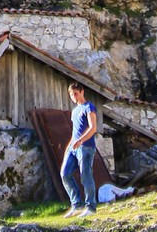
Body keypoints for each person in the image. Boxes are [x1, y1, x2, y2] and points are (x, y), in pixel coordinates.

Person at [61, 82, 98, 216]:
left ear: (82, 92)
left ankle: (91, 207)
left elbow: (93, 128)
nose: (73, 97)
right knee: (65, 174)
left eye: (75, 94)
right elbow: (74, 132)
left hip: (86, 147)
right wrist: (68, 148)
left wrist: (80, 140)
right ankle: (76, 204)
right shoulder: (74, 111)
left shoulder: (89, 107)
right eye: (71, 95)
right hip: (74, 147)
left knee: (86, 176)